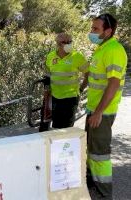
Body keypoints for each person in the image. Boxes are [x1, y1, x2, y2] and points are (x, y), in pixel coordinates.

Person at [86, 13, 127, 199]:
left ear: (108, 31)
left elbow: (113, 84)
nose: (92, 32)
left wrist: (99, 112)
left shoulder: (113, 50)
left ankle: (104, 193)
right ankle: (93, 183)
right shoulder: (102, 48)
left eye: (96, 29)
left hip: (102, 112)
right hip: (94, 109)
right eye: (92, 28)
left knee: (100, 154)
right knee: (92, 149)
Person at [45, 33, 89, 130]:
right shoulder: (50, 56)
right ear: (58, 44)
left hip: (71, 98)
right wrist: (47, 91)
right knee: (56, 126)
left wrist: (81, 89)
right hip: (55, 97)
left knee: (67, 128)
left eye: (70, 41)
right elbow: (48, 74)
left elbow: (88, 74)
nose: (68, 44)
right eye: (64, 42)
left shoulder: (77, 56)